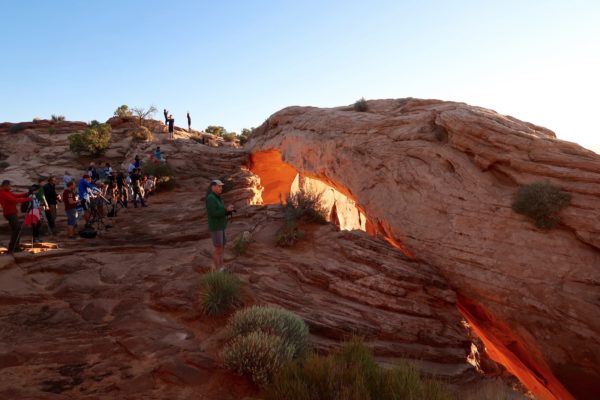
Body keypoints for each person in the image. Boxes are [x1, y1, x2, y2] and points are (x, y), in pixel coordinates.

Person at [206, 179, 234, 270]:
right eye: (219, 186)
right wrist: (226, 210)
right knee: (218, 249)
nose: (221, 188)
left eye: (221, 186)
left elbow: (220, 211)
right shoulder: (211, 198)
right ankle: (218, 270)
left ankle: (222, 268)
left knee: (221, 248)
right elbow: (213, 213)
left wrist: (228, 211)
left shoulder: (217, 197)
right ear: (213, 187)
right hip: (216, 227)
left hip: (221, 226)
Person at [0, 180, 31, 253]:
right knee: (17, 229)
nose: (10, 187)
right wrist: (28, 199)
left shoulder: (7, 192)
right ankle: (13, 247)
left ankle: (14, 246)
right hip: (9, 213)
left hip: (12, 212)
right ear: (5, 185)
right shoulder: (3, 193)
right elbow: (14, 200)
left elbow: (16, 196)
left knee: (16, 229)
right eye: (9, 186)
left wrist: (26, 194)